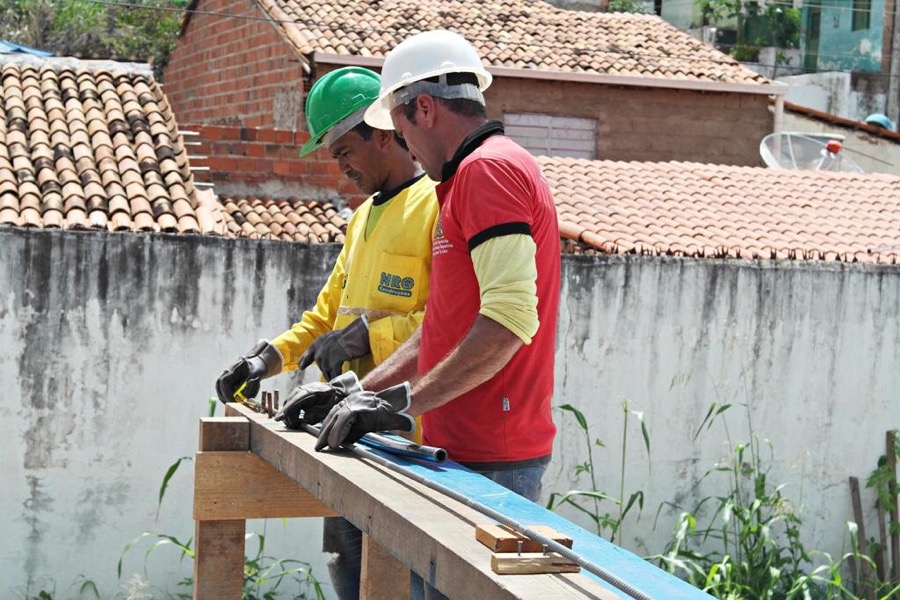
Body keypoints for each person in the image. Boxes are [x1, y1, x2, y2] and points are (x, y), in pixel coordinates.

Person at [307, 30, 561, 598]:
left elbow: (510, 321)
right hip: (455, 451)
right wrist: (362, 392)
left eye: (401, 131)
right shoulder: (463, 182)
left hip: (493, 460)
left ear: (425, 107)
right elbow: (440, 330)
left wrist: (404, 403)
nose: (405, 147)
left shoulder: (489, 172)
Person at [214, 66, 439, 600]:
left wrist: (368, 337)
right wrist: (264, 360)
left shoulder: (435, 205)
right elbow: (323, 318)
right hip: (347, 440)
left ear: (383, 134)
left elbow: (446, 324)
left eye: (344, 152)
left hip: (407, 442)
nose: (340, 169)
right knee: (347, 577)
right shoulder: (362, 220)